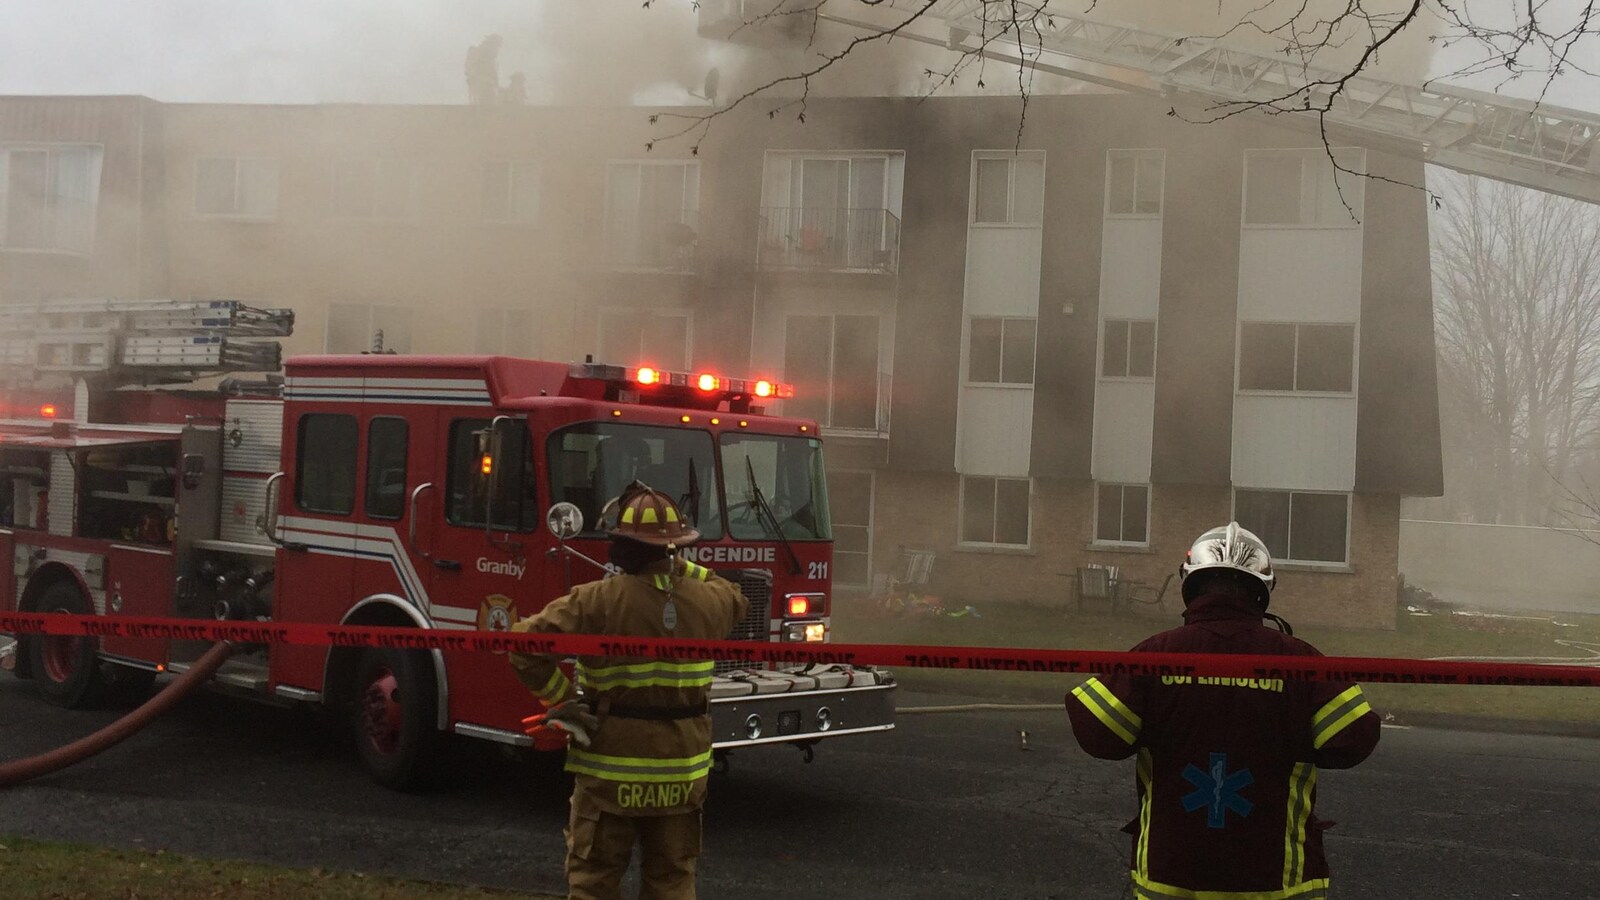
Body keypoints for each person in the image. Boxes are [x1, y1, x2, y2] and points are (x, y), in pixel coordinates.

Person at [1067, 522, 1380, 900]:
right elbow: (1354, 739)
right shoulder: (1301, 661)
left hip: (1171, 875)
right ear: (1262, 589)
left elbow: (1099, 734)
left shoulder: (1155, 655)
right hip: (1276, 880)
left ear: (1191, 583)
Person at [507, 482, 748, 900]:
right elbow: (735, 596)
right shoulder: (712, 602)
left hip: (609, 774)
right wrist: (679, 565)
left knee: (594, 884)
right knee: (672, 882)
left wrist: (563, 700)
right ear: (677, 549)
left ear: (622, 547)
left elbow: (522, 646)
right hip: (680, 775)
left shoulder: (596, 601)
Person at [464, 34, 503, 105]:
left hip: (488, 85)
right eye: (496, 46)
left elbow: (493, 73)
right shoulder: (476, 52)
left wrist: (496, 85)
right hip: (480, 85)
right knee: (483, 103)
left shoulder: (490, 59)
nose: (497, 50)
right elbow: (469, 69)